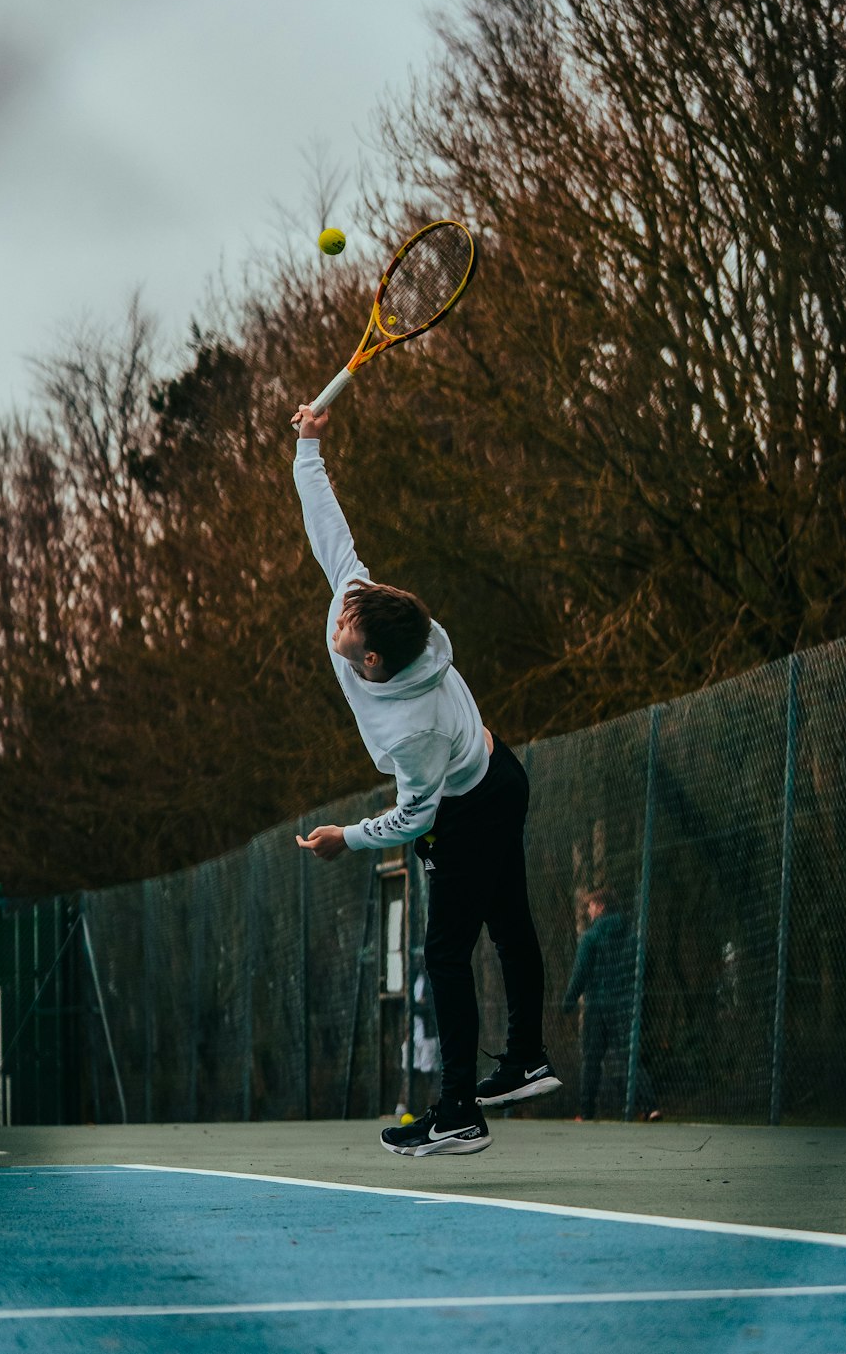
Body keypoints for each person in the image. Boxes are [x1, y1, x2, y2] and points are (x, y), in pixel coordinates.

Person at [291, 403, 560, 1156]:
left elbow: (416, 818)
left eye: (347, 625)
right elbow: (330, 534)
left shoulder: (410, 730)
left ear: (370, 661)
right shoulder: (368, 614)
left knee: (445, 954)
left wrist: (347, 836)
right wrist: (308, 447)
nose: (337, 616)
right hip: (496, 773)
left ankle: (460, 1112)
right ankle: (527, 1057)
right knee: (508, 926)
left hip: (471, 803)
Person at [562, 887, 661, 1122]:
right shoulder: (631, 936)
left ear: (601, 906)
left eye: (591, 905)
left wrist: (568, 1001)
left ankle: (586, 1113)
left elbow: (580, 972)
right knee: (629, 1056)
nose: (588, 909)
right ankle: (651, 1107)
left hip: (596, 1006)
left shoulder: (590, 937)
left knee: (591, 1060)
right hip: (624, 1004)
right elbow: (646, 965)